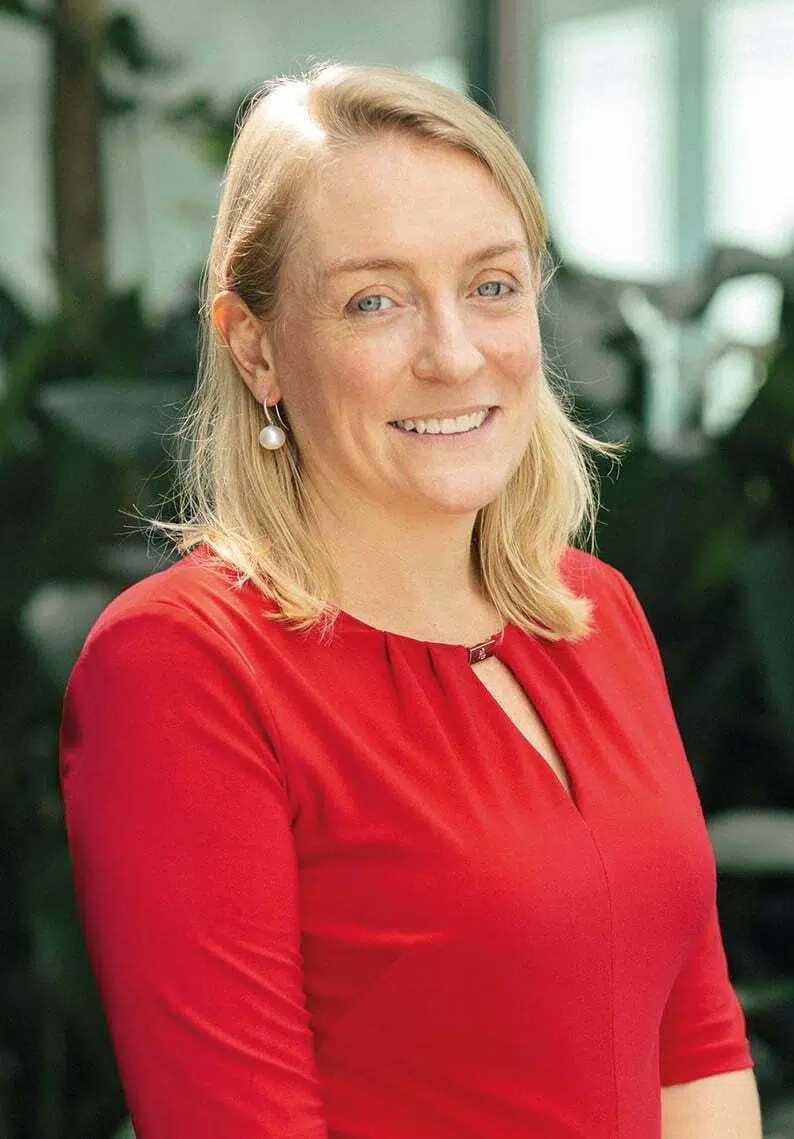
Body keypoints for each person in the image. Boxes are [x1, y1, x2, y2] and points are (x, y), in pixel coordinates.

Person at [59, 63, 762, 1139]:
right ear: (256, 348)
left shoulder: (592, 614)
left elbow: (694, 1049)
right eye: (373, 301)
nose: (452, 353)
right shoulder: (182, 665)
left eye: (490, 286)